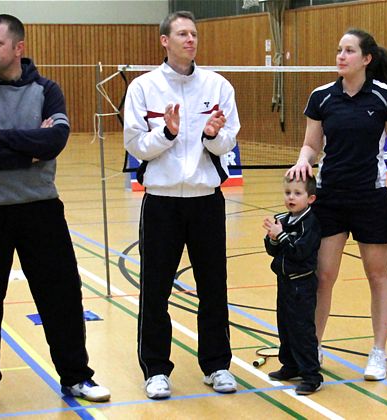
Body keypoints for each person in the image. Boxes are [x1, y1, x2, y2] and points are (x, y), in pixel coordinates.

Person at [0, 14, 109, 413]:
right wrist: (29, 150)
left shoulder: (47, 90)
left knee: (61, 295)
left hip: (40, 208)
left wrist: (1, 136)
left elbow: (55, 140)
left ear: (18, 48)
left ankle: (76, 376)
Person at [122, 11, 240, 399]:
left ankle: (217, 365)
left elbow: (228, 141)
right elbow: (136, 145)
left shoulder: (218, 86)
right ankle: (156, 369)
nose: (190, 40)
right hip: (162, 203)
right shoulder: (143, 88)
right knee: (155, 290)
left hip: (207, 202)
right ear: (165, 40)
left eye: (194, 34)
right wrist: (167, 132)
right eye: (182, 34)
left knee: (214, 287)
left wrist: (213, 135)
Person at [287, 28, 387, 381]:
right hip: (330, 196)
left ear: (366, 59)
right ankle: (312, 347)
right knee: (323, 276)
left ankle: (378, 351)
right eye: (339, 50)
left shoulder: (386, 97)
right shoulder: (322, 97)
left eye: (349, 51)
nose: (341, 56)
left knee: (378, 275)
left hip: (370, 196)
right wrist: (303, 160)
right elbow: (311, 144)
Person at [263, 175, 323, 395]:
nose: (291, 197)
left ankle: (311, 375)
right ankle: (290, 365)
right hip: (284, 282)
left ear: (310, 198)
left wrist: (282, 236)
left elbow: (299, 252)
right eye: (288, 193)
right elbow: (273, 251)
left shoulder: (310, 223)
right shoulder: (282, 219)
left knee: (302, 330)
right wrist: (272, 238)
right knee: (285, 326)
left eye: (297, 193)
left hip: (302, 284)